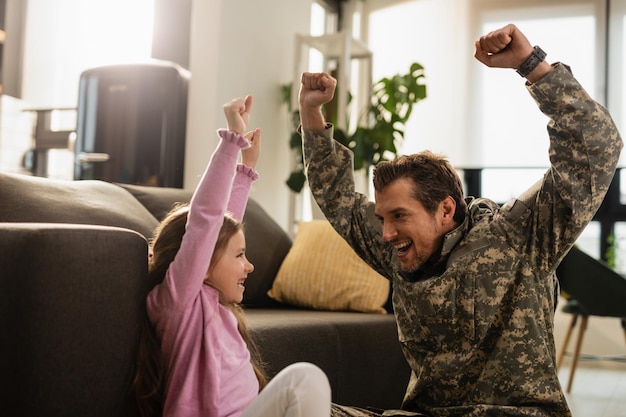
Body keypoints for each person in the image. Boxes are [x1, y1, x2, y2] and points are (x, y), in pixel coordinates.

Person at [299, 23, 623, 417]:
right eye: (383, 217)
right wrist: (312, 110)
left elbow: (594, 146)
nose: (385, 233)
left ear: (446, 210)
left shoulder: (518, 235)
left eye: (399, 216)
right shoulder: (400, 251)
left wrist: (530, 64)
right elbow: (337, 199)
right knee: (297, 402)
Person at [133, 95, 332, 417]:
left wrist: (245, 170)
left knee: (306, 384)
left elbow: (226, 225)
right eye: (240, 255)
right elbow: (207, 220)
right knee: (304, 380)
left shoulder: (215, 306)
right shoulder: (179, 303)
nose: (249, 265)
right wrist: (231, 142)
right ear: (204, 259)